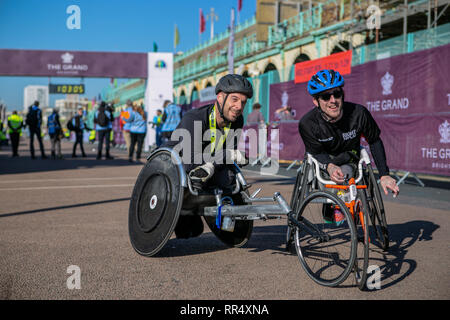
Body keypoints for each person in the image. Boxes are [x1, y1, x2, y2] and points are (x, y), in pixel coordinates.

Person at [298, 69, 399, 224]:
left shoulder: (359, 113)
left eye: (337, 94)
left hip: (348, 157)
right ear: (316, 101)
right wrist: (329, 167)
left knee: (346, 171)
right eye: (325, 96)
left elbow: (374, 141)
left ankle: (343, 204)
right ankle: (330, 202)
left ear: (342, 94)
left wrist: (384, 174)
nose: (333, 100)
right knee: (315, 173)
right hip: (322, 159)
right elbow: (315, 152)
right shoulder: (307, 123)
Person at [164, 74, 252, 238]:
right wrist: (225, 156)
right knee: (200, 173)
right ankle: (185, 211)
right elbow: (191, 163)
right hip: (173, 170)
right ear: (220, 97)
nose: (239, 106)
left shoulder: (236, 121)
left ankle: (215, 216)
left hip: (206, 166)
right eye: (234, 99)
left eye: (243, 102)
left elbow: (226, 160)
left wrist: (217, 163)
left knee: (228, 178)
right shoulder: (194, 118)